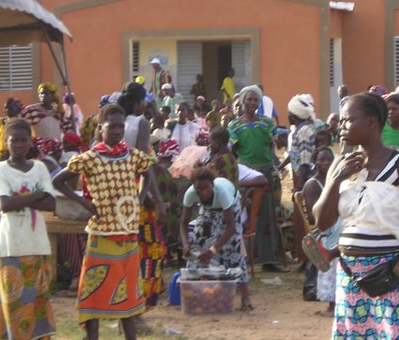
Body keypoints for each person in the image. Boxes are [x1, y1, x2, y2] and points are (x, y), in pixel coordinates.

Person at [313, 92, 399, 339]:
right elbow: (322, 221)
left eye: (348, 120)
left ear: (371, 122)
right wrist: (336, 181)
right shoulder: (340, 165)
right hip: (350, 275)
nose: (341, 126)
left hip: (393, 273)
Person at [53, 104, 155, 340]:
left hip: (128, 236)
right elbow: (58, 181)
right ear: (101, 128)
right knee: (93, 295)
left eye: (121, 126)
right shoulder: (89, 158)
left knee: (128, 297)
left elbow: (148, 173)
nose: (118, 130)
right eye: (113, 126)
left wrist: (140, 198)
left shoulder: (131, 155)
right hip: (101, 236)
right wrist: (85, 204)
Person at [0, 118, 56, 340]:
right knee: (14, 308)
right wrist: (37, 194)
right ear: (6, 142)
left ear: (30, 142)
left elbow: (51, 204)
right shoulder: (0, 169)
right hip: (11, 249)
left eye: (23, 140)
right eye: (14, 140)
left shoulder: (39, 168)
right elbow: (4, 205)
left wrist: (20, 198)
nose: (19, 145)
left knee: (38, 306)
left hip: (37, 247)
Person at [118, 82, 167, 310]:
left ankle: (126, 301)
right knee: (151, 248)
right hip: (138, 191)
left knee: (127, 247)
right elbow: (143, 164)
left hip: (118, 191)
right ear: (138, 103)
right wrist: (156, 199)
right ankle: (141, 302)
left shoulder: (115, 123)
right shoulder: (141, 123)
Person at [228, 85, 284, 271]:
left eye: (255, 100)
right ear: (242, 102)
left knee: (268, 216)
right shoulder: (234, 126)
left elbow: (273, 145)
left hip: (266, 174)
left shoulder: (267, 123)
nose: (252, 103)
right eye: (249, 99)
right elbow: (234, 152)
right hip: (247, 176)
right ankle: (246, 259)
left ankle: (269, 260)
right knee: (247, 217)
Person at [180, 167, 252, 310]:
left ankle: (245, 297)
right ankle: (197, 295)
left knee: (233, 249)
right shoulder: (190, 194)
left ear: (212, 186)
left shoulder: (222, 192)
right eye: (199, 189)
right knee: (198, 245)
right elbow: (183, 223)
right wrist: (186, 244)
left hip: (230, 207)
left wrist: (213, 250)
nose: (203, 192)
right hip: (208, 210)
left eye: (206, 188)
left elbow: (231, 228)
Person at [301, 147, 337, 313]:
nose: (325, 163)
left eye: (329, 159)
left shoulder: (336, 181)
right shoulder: (312, 184)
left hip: (336, 224)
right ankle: (333, 301)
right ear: (315, 162)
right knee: (340, 239)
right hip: (321, 229)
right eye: (321, 159)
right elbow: (313, 216)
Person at [287, 94, 317, 192]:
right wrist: (280, 167)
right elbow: (294, 154)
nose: (287, 116)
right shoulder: (301, 130)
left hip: (307, 180)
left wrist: (299, 187)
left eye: (289, 113)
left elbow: (305, 162)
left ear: (293, 116)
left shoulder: (303, 132)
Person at [0, 97, 23, 163]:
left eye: (11, 107)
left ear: (18, 109)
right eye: (6, 108)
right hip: (0, 157)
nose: (7, 110)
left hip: (16, 157)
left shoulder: (22, 124)